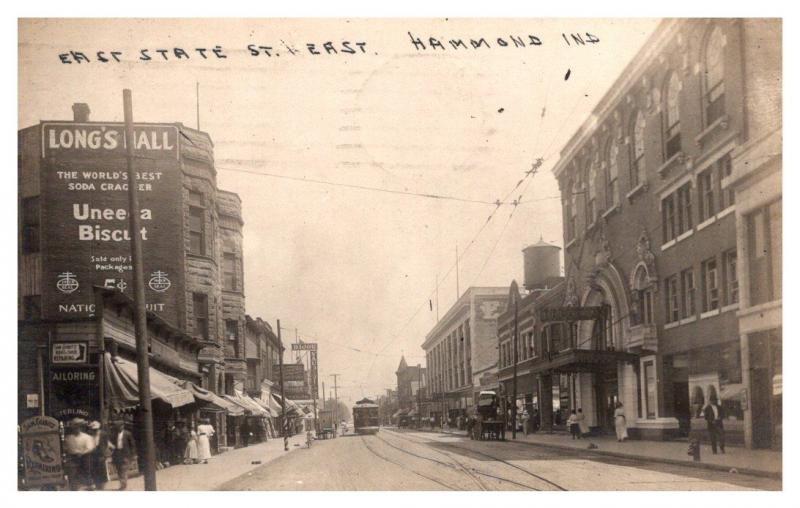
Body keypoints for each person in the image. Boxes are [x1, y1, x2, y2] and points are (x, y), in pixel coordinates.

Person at [63, 418, 96, 490]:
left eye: (78, 427)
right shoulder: (68, 438)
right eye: (74, 427)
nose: (76, 428)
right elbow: (65, 448)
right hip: (72, 458)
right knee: (72, 475)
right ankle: (74, 488)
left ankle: (89, 486)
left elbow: (90, 448)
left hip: (84, 458)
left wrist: (82, 453)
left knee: (86, 474)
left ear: (81, 427)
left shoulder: (87, 437)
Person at [108, 420, 136, 490]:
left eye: (119, 426)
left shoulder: (127, 434)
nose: (118, 428)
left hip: (125, 454)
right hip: (117, 453)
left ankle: (123, 484)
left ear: (122, 426)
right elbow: (112, 443)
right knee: (119, 469)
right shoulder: (114, 434)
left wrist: (133, 454)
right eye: (117, 427)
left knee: (123, 469)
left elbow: (132, 445)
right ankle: (122, 483)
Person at [87, 421, 111, 490]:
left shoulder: (103, 434)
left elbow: (106, 444)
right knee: (94, 470)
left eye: (96, 429)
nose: (95, 431)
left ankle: (102, 486)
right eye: (93, 429)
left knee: (102, 470)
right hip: (93, 453)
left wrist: (105, 454)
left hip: (101, 453)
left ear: (98, 428)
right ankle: (97, 484)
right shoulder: (90, 434)